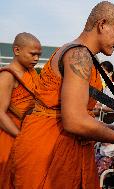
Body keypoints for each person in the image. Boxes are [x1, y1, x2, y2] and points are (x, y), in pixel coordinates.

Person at [5, 2, 114, 188]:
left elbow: (80, 115)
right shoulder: (79, 54)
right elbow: (74, 120)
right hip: (49, 151)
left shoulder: (81, 53)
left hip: (60, 146)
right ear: (102, 24)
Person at [0, 32, 41, 185]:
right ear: (17, 51)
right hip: (11, 136)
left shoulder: (31, 73)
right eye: (33, 54)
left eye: (39, 55)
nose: (36, 59)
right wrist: (21, 138)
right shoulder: (7, 75)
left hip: (28, 134)